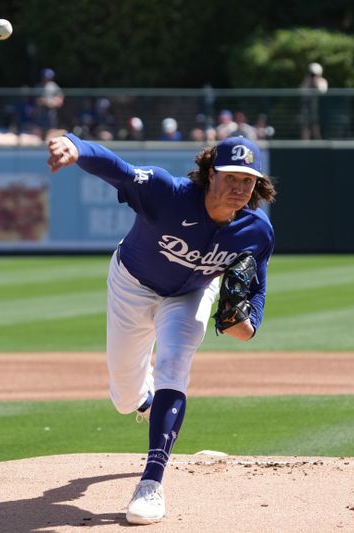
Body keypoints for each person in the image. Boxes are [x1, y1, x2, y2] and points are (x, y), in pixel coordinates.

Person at [46, 133, 276, 524]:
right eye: (232, 176)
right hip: (131, 285)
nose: (240, 187)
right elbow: (116, 169)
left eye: (248, 180)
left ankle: (151, 481)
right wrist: (75, 145)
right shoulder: (166, 192)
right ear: (210, 173)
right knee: (124, 396)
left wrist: (249, 325)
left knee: (174, 360)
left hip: (190, 295)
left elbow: (258, 287)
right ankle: (147, 403)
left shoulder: (256, 230)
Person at [299, 62, 328, 140]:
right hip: (307, 110)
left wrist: (316, 82)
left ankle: (319, 147)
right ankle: (305, 148)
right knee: (305, 129)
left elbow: (323, 91)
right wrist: (308, 82)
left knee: (316, 129)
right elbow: (302, 91)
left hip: (319, 111)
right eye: (312, 74)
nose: (313, 76)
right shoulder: (306, 81)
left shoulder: (322, 81)